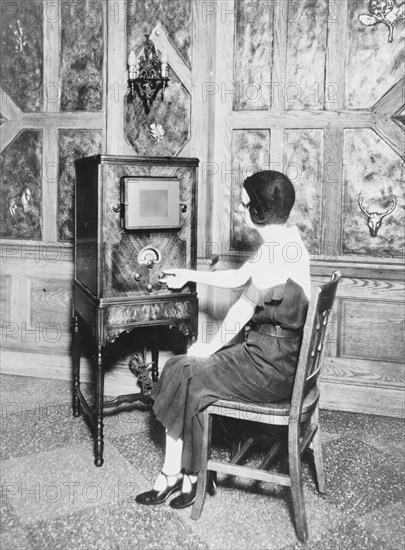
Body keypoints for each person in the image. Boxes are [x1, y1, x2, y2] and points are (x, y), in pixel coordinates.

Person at [135, 170, 311, 509]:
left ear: (260, 210)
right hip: (277, 359)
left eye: (246, 205)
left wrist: (207, 347)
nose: (241, 211)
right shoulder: (286, 242)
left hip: (268, 371)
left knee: (182, 367)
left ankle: (177, 473)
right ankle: (187, 474)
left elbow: (241, 312)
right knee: (186, 371)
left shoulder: (275, 255)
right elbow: (239, 278)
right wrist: (188, 275)